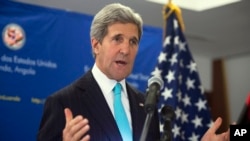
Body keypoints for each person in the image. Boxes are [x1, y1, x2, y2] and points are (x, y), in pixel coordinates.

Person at [37, 3, 230, 141]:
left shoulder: (145, 104)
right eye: (117, 39)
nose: (126, 49)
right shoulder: (64, 103)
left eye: (133, 41)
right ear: (96, 45)